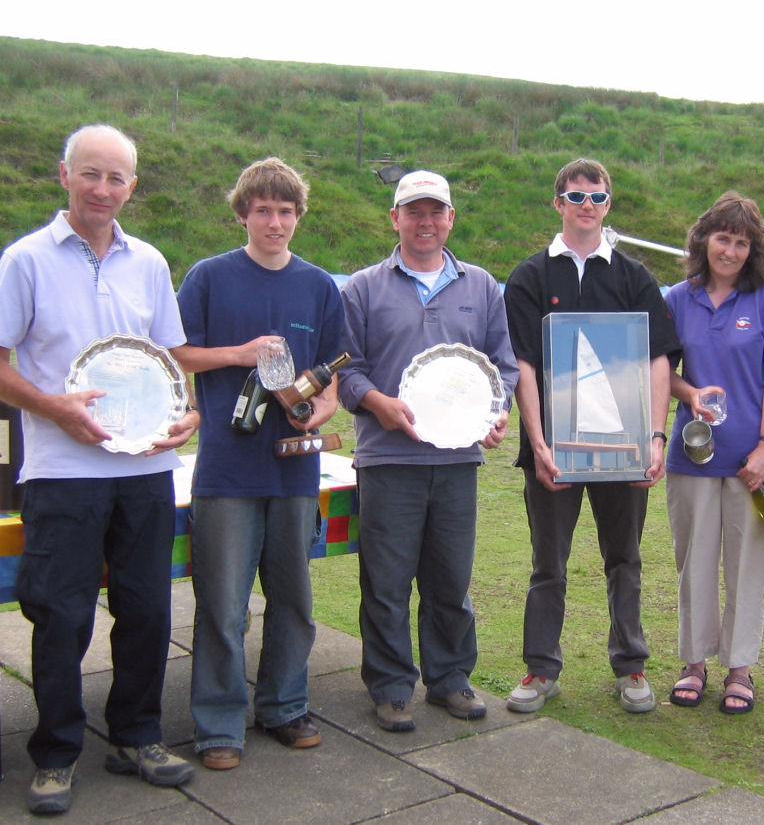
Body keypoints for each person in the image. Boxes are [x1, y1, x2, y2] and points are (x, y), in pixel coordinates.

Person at [0, 124, 198, 814]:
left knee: (147, 609)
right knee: (60, 616)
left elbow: (173, 358)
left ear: (132, 186)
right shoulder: (24, 261)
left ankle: (136, 736)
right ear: (64, 175)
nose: (103, 189)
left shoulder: (148, 261)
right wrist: (56, 409)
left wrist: (188, 415)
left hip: (146, 466)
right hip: (62, 472)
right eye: (92, 174)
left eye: (117, 178)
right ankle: (55, 755)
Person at [174, 158, 344, 769]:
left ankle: (284, 705)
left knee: (294, 599)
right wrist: (239, 353)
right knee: (222, 605)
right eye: (263, 210)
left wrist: (316, 414)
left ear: (299, 216)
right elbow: (176, 354)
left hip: (293, 469)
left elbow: (333, 375)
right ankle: (218, 725)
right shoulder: (209, 278)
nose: (275, 222)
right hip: (226, 470)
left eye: (286, 211)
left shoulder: (319, 287)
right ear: (244, 212)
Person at [337, 170, 518, 732]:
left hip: (458, 463)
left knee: (449, 579)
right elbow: (346, 373)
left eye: (435, 211)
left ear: (450, 220)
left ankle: (449, 679)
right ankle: (392, 687)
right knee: (386, 583)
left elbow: (503, 366)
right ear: (395, 218)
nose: (425, 221)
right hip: (388, 460)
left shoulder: (483, 286)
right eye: (413, 211)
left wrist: (496, 413)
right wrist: (377, 403)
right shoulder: (363, 287)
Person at [503, 158, 680, 714]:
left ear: (609, 204)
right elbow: (523, 366)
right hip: (554, 451)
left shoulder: (633, 276)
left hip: (624, 449)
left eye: (596, 197)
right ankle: (540, 669)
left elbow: (657, 360)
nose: (586, 206)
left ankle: (630, 665)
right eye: (575, 196)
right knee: (547, 562)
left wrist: (655, 438)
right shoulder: (531, 276)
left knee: (624, 557)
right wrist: (537, 443)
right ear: (557, 203)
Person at [664, 193, 764, 714]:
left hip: (757, 463)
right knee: (693, 560)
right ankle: (694, 663)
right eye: (723, 238)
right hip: (692, 455)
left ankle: (739, 668)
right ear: (704, 240)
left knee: (748, 565)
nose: (732, 250)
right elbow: (663, 370)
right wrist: (688, 394)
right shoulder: (678, 297)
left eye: (742, 242)